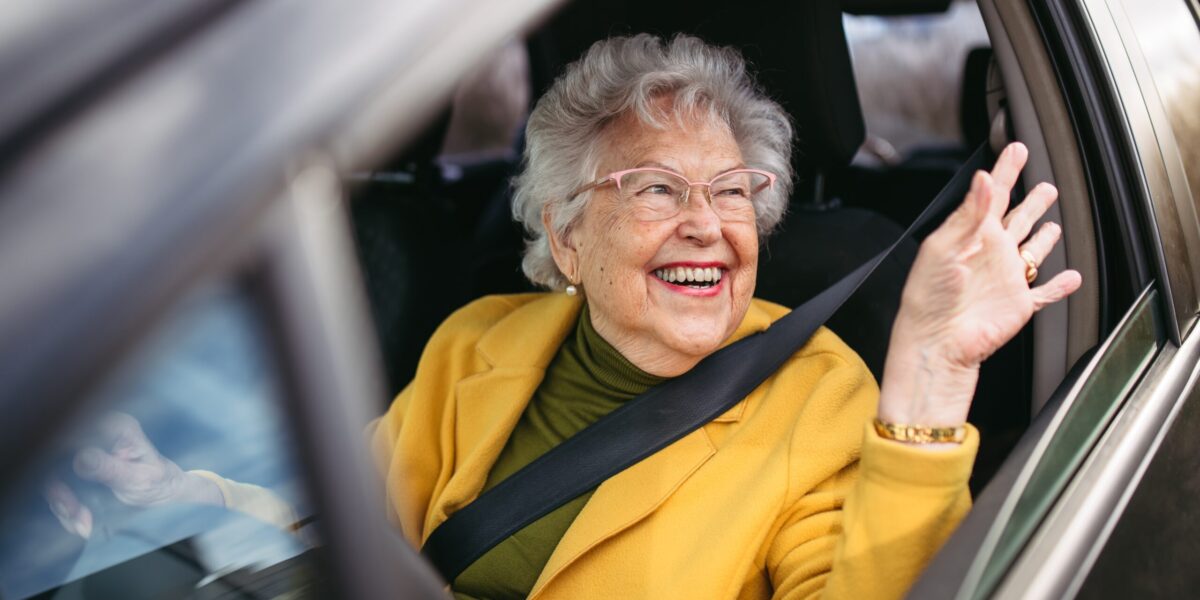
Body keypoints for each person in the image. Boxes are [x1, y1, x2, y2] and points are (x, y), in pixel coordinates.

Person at [53, 34, 1081, 599]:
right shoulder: (478, 342)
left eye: (733, 193)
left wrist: (932, 377)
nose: (708, 227)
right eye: (656, 190)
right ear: (568, 235)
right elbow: (341, 538)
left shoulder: (817, 393)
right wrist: (182, 488)